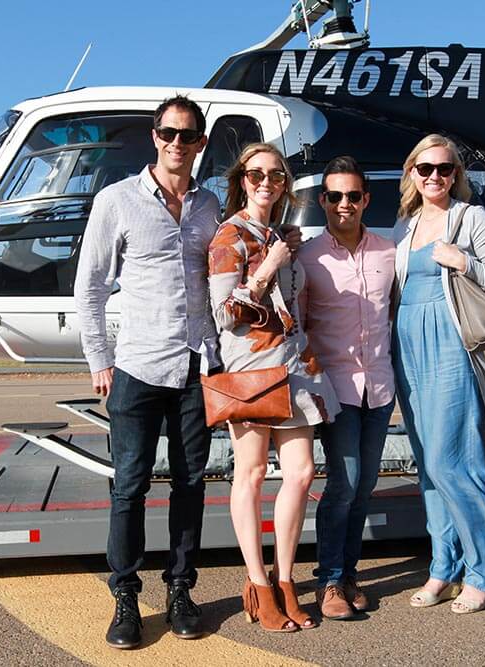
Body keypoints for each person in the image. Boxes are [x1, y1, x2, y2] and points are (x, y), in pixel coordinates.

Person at [74, 95, 217, 649]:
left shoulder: (209, 208)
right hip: (135, 365)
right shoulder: (117, 202)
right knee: (129, 487)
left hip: (193, 366)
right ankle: (126, 597)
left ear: (200, 142)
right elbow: (89, 287)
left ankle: (181, 588)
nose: (176, 143)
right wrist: (98, 360)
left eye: (187, 135)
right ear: (154, 137)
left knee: (189, 483)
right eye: (167, 133)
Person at [392, 134, 485, 614]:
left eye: (445, 168)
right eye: (425, 168)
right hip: (406, 344)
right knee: (428, 468)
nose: (435, 176)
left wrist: (464, 261)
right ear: (411, 173)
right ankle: (444, 567)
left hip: (449, 342)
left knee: (451, 460)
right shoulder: (407, 225)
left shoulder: (469, 217)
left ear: (456, 174)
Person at [208, 142, 340, 633]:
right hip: (252, 368)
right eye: (257, 174)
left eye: (277, 176)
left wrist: (283, 253)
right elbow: (224, 314)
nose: (267, 182)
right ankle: (259, 586)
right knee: (254, 472)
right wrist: (265, 268)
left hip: (296, 366)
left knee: (302, 473)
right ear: (242, 179)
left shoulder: (280, 236)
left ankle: (286, 580)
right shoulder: (230, 237)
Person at [297, 156, 396, 620]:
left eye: (353, 196)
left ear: (366, 200)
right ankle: (330, 580)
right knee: (345, 482)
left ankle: (350, 575)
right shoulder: (308, 257)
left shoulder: (388, 253)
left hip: (379, 386)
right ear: (322, 201)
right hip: (335, 389)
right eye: (334, 196)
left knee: (365, 486)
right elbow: (296, 322)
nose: (344, 204)